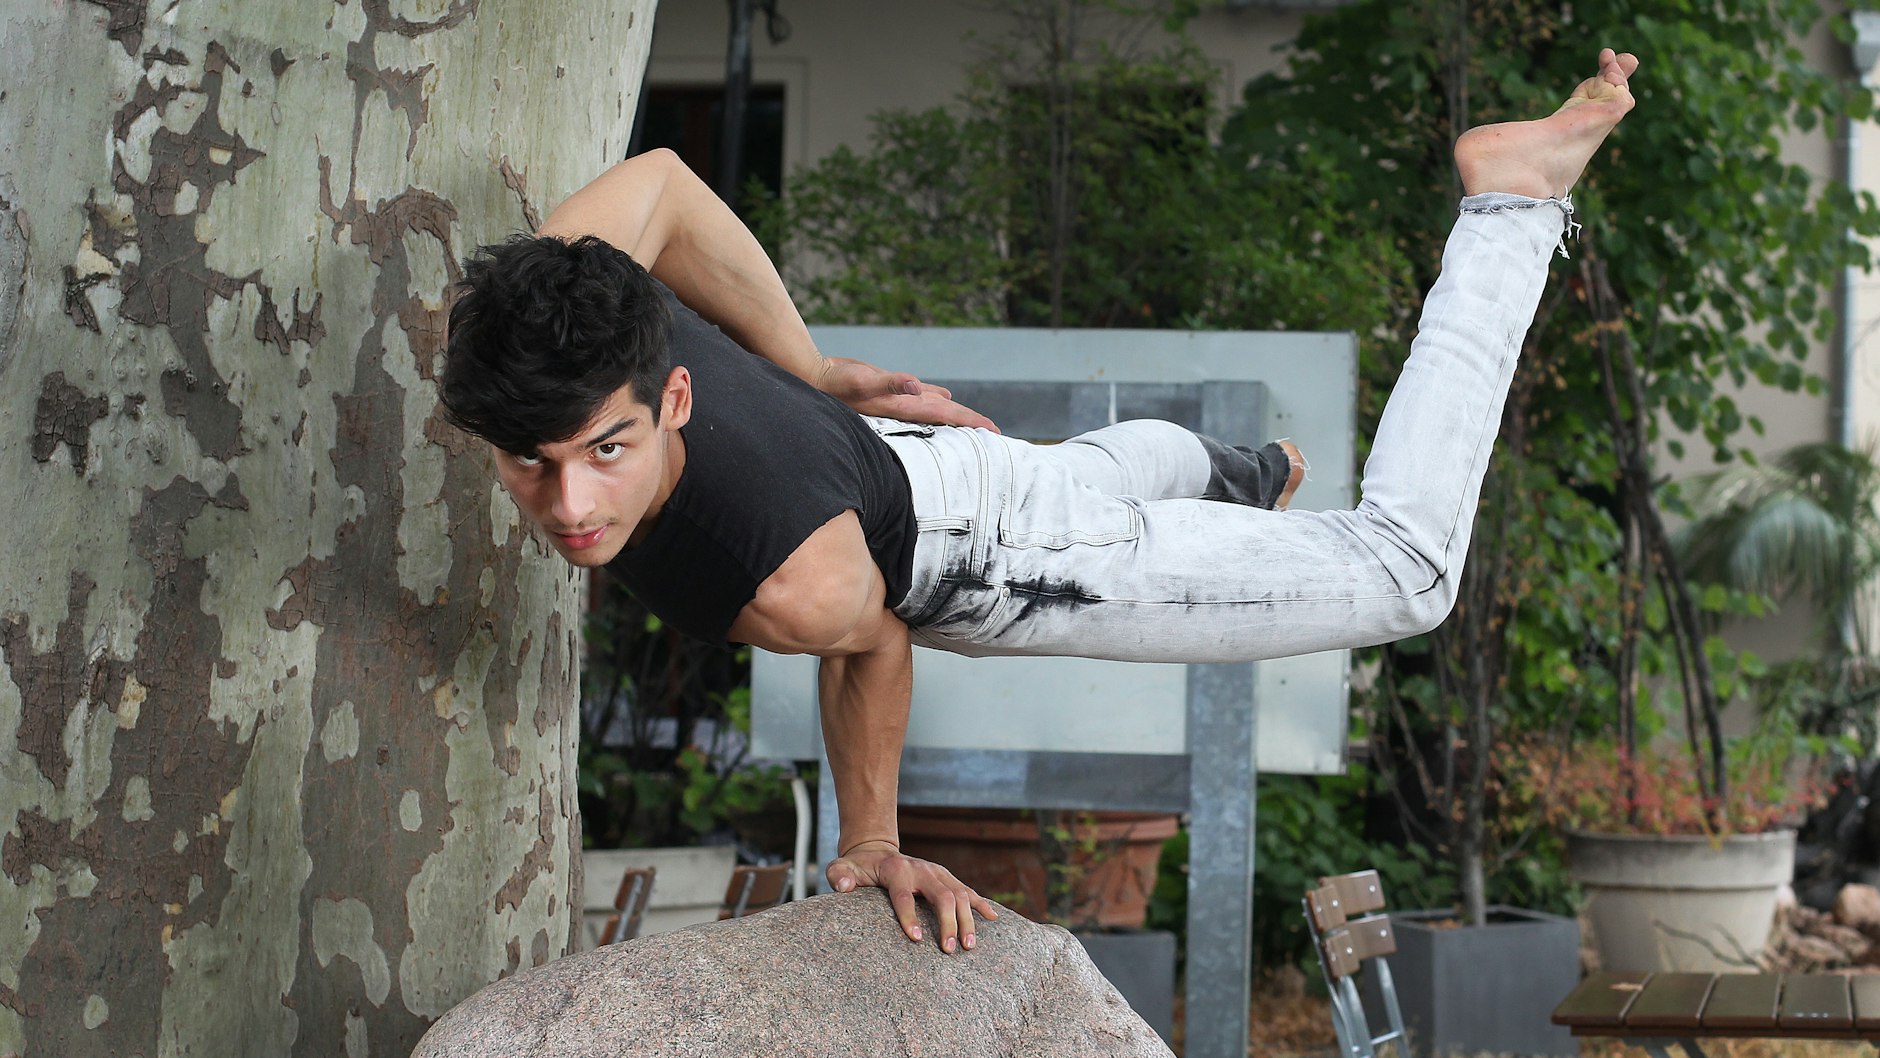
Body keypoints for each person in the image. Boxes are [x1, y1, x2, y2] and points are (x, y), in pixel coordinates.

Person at [440, 48, 1639, 957]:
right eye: (528, 463)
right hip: (921, 460)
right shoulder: (556, 300)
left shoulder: (776, 573)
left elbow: (871, 637)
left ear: (678, 394)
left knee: (1406, 575)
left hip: (995, 557)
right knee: (1091, 476)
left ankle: (1506, 206)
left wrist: (869, 843)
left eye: (608, 450)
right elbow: (655, 187)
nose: (571, 505)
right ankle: (1235, 475)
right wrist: (804, 368)